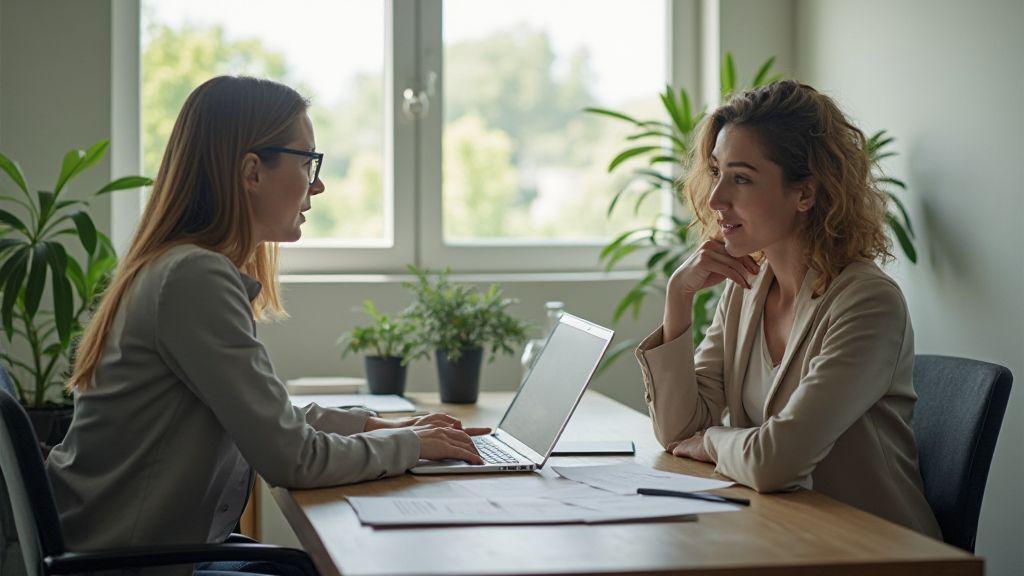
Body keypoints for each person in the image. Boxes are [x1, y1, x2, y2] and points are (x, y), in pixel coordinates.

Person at [45, 76, 486, 573]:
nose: (317, 184)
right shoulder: (194, 278)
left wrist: (379, 427)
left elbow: (269, 416)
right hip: (127, 564)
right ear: (252, 171)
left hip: (124, 550)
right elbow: (290, 457)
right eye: (307, 161)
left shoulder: (179, 267)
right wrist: (409, 446)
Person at [636, 80, 940, 537]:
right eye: (716, 171)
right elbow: (680, 430)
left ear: (805, 194)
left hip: (873, 550)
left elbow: (776, 462)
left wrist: (712, 442)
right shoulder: (745, 290)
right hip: (781, 532)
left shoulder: (867, 302)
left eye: (740, 178)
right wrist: (678, 299)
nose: (717, 199)